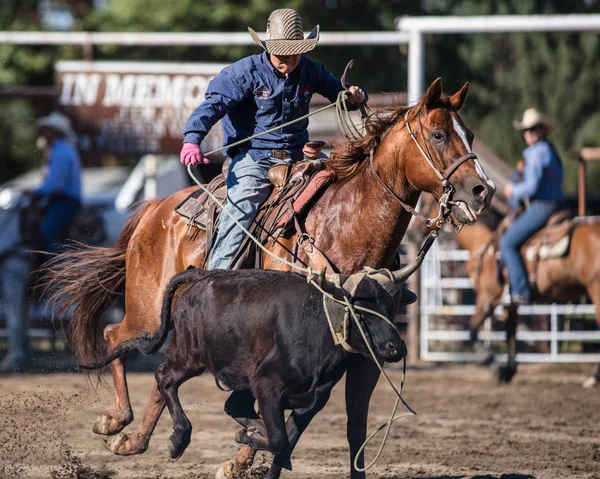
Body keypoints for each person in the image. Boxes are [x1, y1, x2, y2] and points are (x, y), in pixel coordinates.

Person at [179, 8, 366, 270]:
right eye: (281, 53)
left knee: (347, 189)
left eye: (293, 53)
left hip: (300, 155)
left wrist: (355, 95)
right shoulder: (244, 73)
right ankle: (215, 276)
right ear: (268, 47)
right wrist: (192, 138)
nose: (287, 60)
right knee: (242, 207)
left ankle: (371, 271)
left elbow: (339, 92)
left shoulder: (313, 71)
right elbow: (213, 105)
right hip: (253, 157)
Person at [500, 108, 565, 305]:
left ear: (542, 130)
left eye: (534, 129)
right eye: (527, 130)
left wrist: (512, 190)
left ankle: (520, 290)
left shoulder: (536, 153)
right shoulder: (550, 150)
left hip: (542, 206)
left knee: (507, 243)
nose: (530, 133)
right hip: (556, 204)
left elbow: (531, 187)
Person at [30, 111, 82, 256]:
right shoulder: (60, 150)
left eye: (47, 130)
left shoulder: (61, 152)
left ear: (54, 132)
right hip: (62, 199)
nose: (44, 133)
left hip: (65, 201)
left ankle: (58, 271)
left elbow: (56, 185)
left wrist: (34, 192)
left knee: (48, 232)